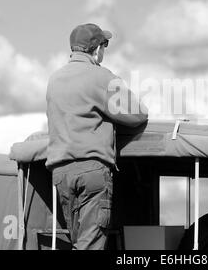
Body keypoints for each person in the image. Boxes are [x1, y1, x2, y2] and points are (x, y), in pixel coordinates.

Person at [45, 23, 148, 250]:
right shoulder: (101, 77)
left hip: (60, 174)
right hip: (92, 169)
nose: (104, 51)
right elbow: (137, 114)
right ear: (97, 49)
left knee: (78, 241)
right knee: (90, 245)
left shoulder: (54, 80)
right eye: (105, 45)